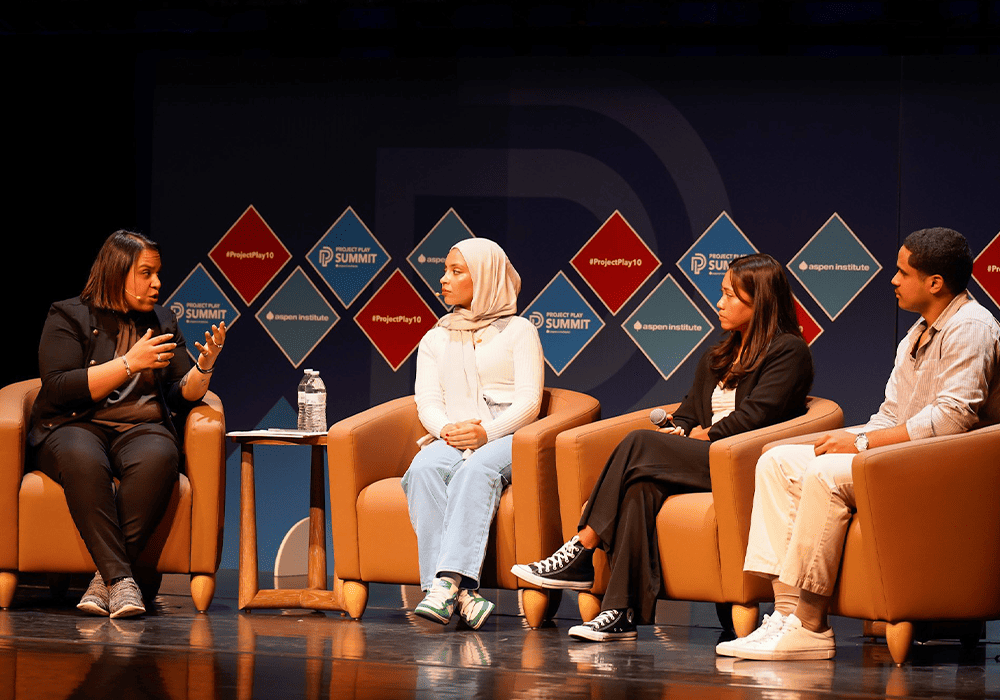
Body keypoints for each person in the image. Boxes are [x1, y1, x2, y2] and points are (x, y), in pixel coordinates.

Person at [719, 227, 1000, 661]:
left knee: (827, 473)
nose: (893, 279)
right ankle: (785, 616)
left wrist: (864, 444)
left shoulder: (972, 328)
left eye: (902, 271)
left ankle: (811, 626)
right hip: (899, 455)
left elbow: (952, 418)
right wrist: (847, 437)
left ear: (934, 283)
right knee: (776, 460)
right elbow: (890, 415)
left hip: (939, 466)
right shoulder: (917, 334)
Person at [512, 253, 813, 641]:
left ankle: (582, 547)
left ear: (760, 302)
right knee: (639, 489)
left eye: (729, 295)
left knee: (639, 441)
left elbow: (757, 416)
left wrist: (702, 435)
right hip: (702, 460)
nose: (718, 303)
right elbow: (689, 413)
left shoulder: (788, 351)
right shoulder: (717, 356)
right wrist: (681, 431)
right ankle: (621, 613)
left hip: (740, 465)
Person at [30, 230, 227, 619]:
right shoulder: (69, 315)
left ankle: (107, 582)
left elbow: (178, 391)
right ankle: (122, 579)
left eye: (158, 273)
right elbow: (57, 387)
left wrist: (204, 367)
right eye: (146, 273)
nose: (157, 283)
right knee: (81, 457)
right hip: (77, 424)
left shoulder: (162, 319)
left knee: (160, 456)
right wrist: (128, 364)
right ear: (118, 273)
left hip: (141, 428)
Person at [401, 238, 544, 629]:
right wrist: (446, 429)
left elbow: (529, 402)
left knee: (476, 470)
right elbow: (427, 400)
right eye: (446, 270)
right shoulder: (436, 337)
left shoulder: (519, 331)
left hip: (509, 434)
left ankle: (444, 583)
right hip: (453, 432)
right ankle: (457, 593)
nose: (444, 279)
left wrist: (488, 433)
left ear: (485, 278)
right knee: (423, 469)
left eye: (456, 271)